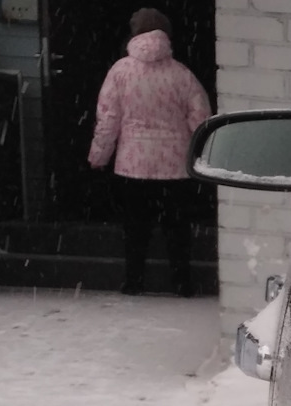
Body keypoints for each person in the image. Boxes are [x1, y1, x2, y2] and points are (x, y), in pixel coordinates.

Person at [86, 9, 211, 296]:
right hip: (175, 167)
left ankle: (134, 282)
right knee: (177, 229)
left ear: (134, 34)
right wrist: (205, 158)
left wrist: (98, 156)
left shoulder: (120, 71)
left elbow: (108, 119)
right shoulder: (182, 74)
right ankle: (182, 284)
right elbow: (200, 119)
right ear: (165, 36)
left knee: (135, 229)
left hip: (132, 165)